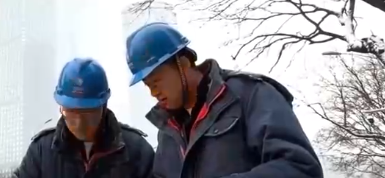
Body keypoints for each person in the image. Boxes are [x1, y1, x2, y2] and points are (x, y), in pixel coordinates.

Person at [125, 23, 324, 178]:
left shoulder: (250, 95)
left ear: (183, 64)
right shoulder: (168, 131)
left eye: (157, 81)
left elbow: (300, 168)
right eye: (147, 85)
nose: (153, 92)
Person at [14, 58, 155, 178]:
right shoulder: (41, 152)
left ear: (103, 107)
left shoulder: (137, 151)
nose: (79, 123)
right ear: (61, 107)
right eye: (71, 112)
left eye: (88, 113)